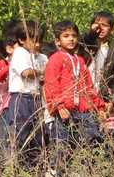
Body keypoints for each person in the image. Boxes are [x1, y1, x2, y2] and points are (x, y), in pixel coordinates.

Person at [44, 20, 106, 158]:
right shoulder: (55, 59)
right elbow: (51, 84)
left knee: (92, 139)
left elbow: (89, 86)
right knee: (62, 144)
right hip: (64, 110)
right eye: (66, 36)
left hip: (83, 110)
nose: (71, 39)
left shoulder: (80, 60)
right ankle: (59, 173)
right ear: (58, 41)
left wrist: (99, 107)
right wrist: (59, 105)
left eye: (73, 35)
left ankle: (89, 173)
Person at [4, 21, 46, 166]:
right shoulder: (20, 53)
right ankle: (18, 171)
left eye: (40, 41)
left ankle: (34, 169)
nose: (38, 45)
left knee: (37, 136)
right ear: (22, 40)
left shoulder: (41, 57)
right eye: (34, 40)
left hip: (36, 99)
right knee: (21, 135)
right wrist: (41, 72)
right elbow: (27, 73)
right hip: (22, 98)